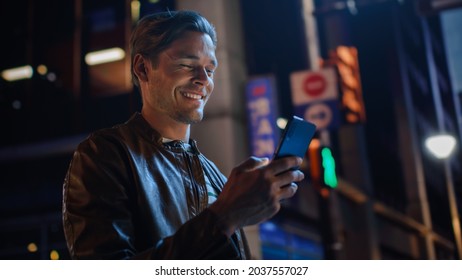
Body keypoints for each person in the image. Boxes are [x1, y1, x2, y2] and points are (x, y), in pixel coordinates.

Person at [62, 10, 304, 260]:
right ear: (143, 68)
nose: (203, 80)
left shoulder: (216, 176)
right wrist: (224, 216)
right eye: (187, 65)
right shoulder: (105, 156)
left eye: (209, 70)